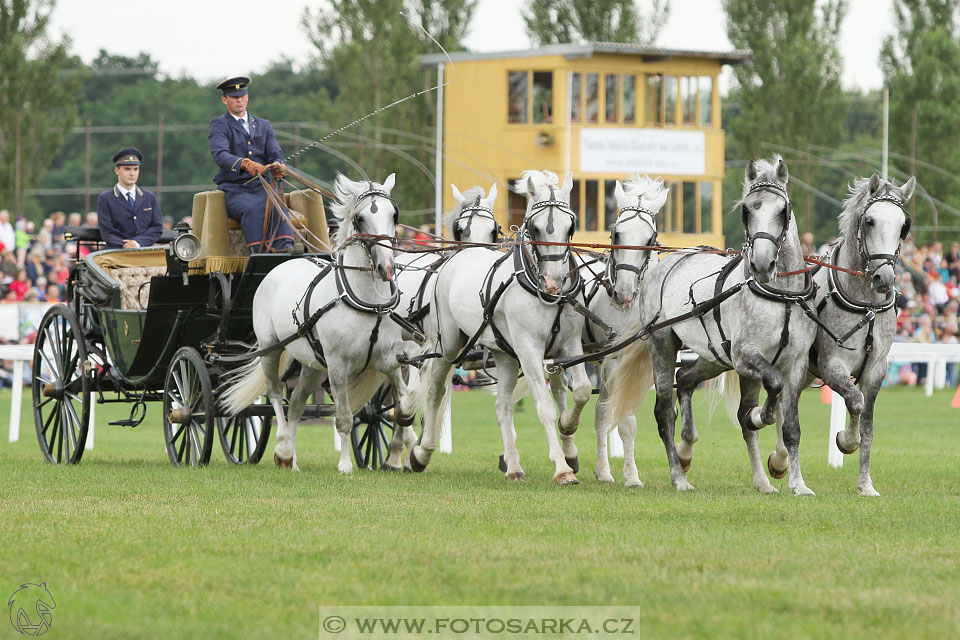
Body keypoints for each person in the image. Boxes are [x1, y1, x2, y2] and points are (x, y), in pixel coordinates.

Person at [208, 75, 293, 252]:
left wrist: (279, 166)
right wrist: (245, 164)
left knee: (277, 204)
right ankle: (259, 252)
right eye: (234, 97)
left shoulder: (264, 125)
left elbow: (276, 154)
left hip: (264, 186)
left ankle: (285, 248)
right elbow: (220, 155)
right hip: (235, 189)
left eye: (242, 96)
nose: (239, 101)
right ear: (225, 100)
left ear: (247, 97)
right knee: (252, 208)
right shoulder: (219, 125)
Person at [96, 148, 163, 249]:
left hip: (145, 251)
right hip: (116, 253)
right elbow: (107, 231)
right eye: (127, 169)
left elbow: (157, 228)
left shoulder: (149, 197)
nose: (132, 173)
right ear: (117, 170)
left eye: (135, 169)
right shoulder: (106, 198)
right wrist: (127, 245)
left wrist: (137, 243)